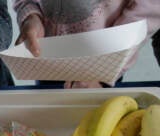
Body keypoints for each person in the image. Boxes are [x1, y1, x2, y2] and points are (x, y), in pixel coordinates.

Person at [13, 0, 160, 88]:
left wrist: (104, 70)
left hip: (103, 65)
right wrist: (31, 15)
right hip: (46, 59)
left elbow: (149, 8)